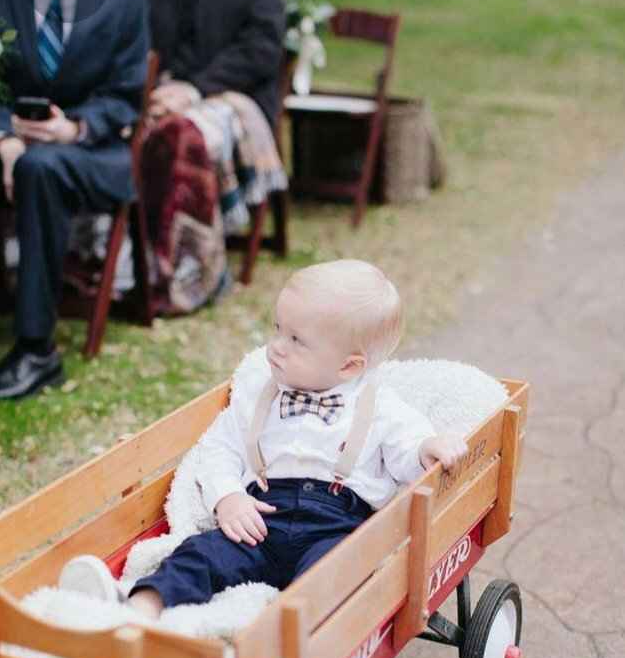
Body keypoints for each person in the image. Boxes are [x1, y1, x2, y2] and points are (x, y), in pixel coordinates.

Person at [58, 260, 469, 617]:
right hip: (260, 519)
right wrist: (227, 497)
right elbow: (218, 448)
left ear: (348, 366)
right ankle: (137, 608)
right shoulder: (259, 394)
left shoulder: (377, 405)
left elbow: (405, 447)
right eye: (277, 330)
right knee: (201, 554)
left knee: (334, 576)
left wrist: (426, 447)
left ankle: (285, 639)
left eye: (296, 341)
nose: (276, 348)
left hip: (333, 526)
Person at [0, 0, 150, 399]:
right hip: (10, 142)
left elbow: (127, 96)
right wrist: (4, 134)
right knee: (28, 161)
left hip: (92, 153)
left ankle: (37, 350)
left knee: (39, 168)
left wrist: (73, 128)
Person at [132, 0, 287, 315]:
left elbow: (262, 51)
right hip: (156, 94)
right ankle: (121, 264)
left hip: (232, 98)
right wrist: (150, 92)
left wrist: (193, 89)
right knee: (121, 127)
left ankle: (190, 269)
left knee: (183, 134)